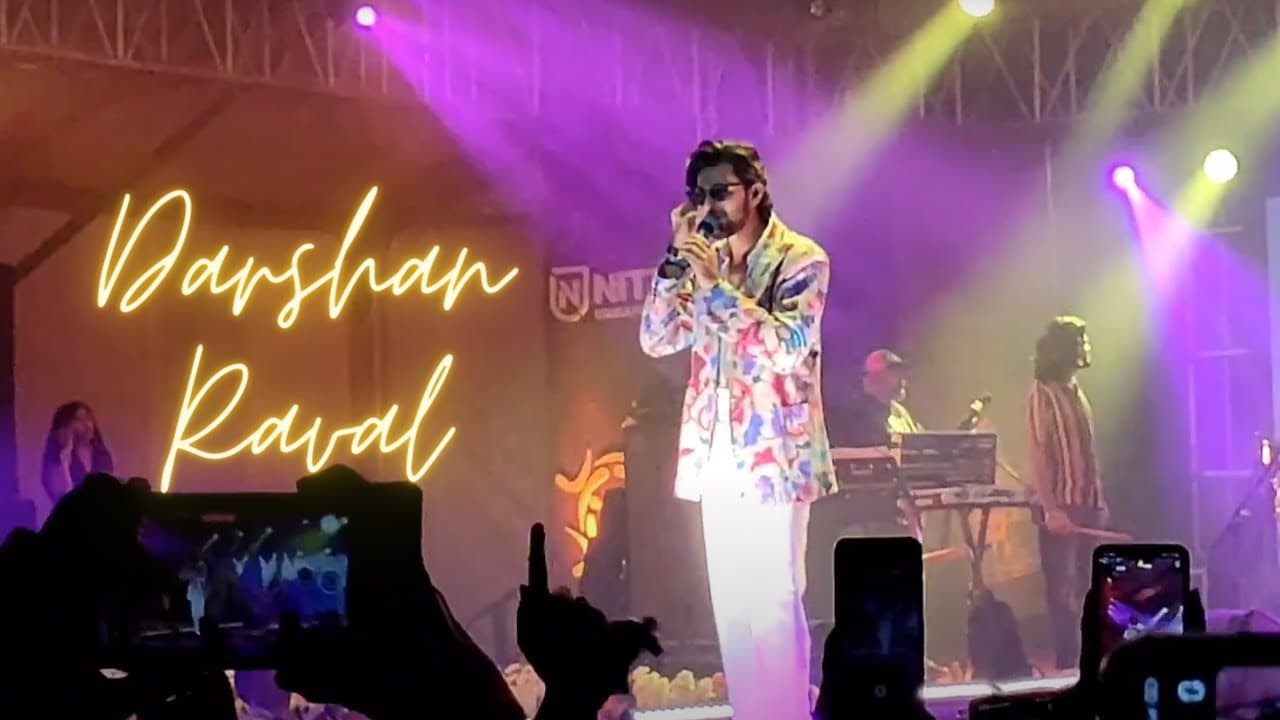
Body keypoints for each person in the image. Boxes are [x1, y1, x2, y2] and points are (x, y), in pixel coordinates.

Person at [639, 139, 834, 720]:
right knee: (733, 609)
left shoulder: (802, 259)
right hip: (716, 451)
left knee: (774, 602)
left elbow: (787, 347)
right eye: (697, 195)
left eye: (720, 193)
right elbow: (656, 338)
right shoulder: (706, 262)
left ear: (755, 191)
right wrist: (674, 265)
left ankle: (786, 714)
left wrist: (714, 289)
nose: (708, 207)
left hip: (775, 452)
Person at [1026, 315, 1108, 670]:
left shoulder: (1077, 391)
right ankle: (1068, 666)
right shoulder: (1042, 393)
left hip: (1089, 503)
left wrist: (1099, 501)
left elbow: (1087, 453)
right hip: (1062, 505)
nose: (1087, 347)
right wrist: (1050, 509)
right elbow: (1038, 453)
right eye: (1080, 341)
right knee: (1063, 593)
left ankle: (1093, 659)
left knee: (1092, 587)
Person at [41, 400, 114, 504]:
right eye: (79, 419)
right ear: (65, 426)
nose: (87, 424)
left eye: (89, 418)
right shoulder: (56, 458)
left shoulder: (102, 455)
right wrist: (65, 460)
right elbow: (62, 497)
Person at [844, 350, 922, 446]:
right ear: (873, 378)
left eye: (901, 373)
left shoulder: (900, 412)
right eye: (895, 373)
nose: (902, 380)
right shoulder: (857, 418)